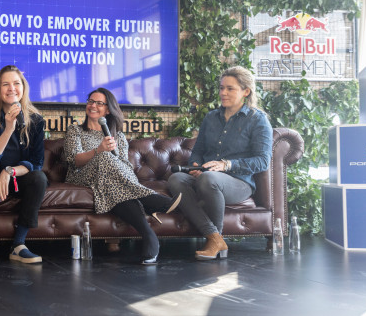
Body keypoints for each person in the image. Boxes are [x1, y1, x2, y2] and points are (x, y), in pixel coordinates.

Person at [63, 88, 181, 264]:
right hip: (81, 176)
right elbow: (74, 161)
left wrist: (109, 155)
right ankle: (149, 199)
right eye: (90, 101)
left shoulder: (117, 136)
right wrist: (98, 150)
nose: (93, 106)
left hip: (110, 181)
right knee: (105, 157)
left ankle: (149, 236)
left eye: (99, 103)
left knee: (116, 186)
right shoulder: (75, 130)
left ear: (108, 110)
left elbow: (125, 167)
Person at [168, 66, 273, 261]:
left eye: (230, 89)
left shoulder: (258, 120)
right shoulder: (211, 118)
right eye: (222, 88)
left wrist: (226, 165)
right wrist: (196, 166)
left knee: (210, 179)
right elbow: (198, 150)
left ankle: (215, 240)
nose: (223, 93)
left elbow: (262, 161)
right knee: (176, 179)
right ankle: (215, 238)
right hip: (206, 177)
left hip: (239, 183)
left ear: (246, 91)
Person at [0, 65, 48, 265]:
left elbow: (37, 162)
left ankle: (18, 245)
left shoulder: (36, 120)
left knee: (39, 178)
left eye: (16, 83)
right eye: (6, 84)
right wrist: (9, 129)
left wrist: (9, 171)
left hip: (15, 179)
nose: (12, 88)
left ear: (23, 88)